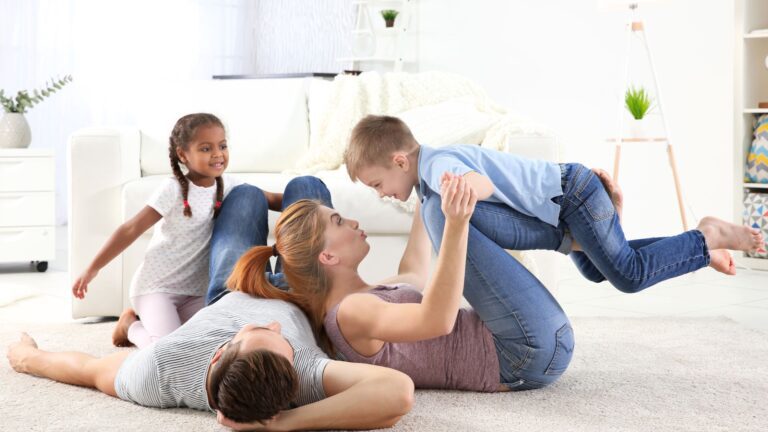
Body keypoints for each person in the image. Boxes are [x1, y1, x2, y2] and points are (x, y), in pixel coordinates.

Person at [226, 172, 575, 394]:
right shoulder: (350, 313)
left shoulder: (361, 297)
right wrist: (453, 225)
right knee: (451, 211)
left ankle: (579, 237)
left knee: (440, 204)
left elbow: (413, 273)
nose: (352, 221)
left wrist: (424, 192)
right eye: (339, 221)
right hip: (520, 354)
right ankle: (576, 225)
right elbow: (437, 319)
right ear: (328, 256)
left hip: (527, 348)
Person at [343, 115, 762, 292]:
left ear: (400, 160)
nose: (380, 194)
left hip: (571, 196)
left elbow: (479, 183)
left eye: (378, 183)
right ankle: (690, 245)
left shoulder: (437, 167)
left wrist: (462, 189)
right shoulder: (429, 175)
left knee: (629, 276)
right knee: (597, 270)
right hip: (567, 198)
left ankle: (707, 235)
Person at [6, 292, 414, 429]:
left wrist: (28, 358)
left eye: (264, 331)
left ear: (219, 351)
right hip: (293, 289)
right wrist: (285, 422)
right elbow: (398, 392)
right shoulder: (302, 373)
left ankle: (134, 326)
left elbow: (87, 370)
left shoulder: (158, 372)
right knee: (306, 193)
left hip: (230, 283)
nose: (275, 324)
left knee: (244, 200)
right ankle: (135, 326)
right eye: (275, 335)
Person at [71, 113, 281, 348]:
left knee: (215, 341)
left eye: (222, 146)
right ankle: (130, 326)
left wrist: (305, 198)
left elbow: (271, 199)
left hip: (196, 293)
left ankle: (165, 324)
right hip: (157, 289)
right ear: (183, 155)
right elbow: (131, 228)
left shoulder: (230, 186)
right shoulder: (173, 189)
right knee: (168, 349)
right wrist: (92, 269)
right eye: (205, 149)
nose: (217, 154)